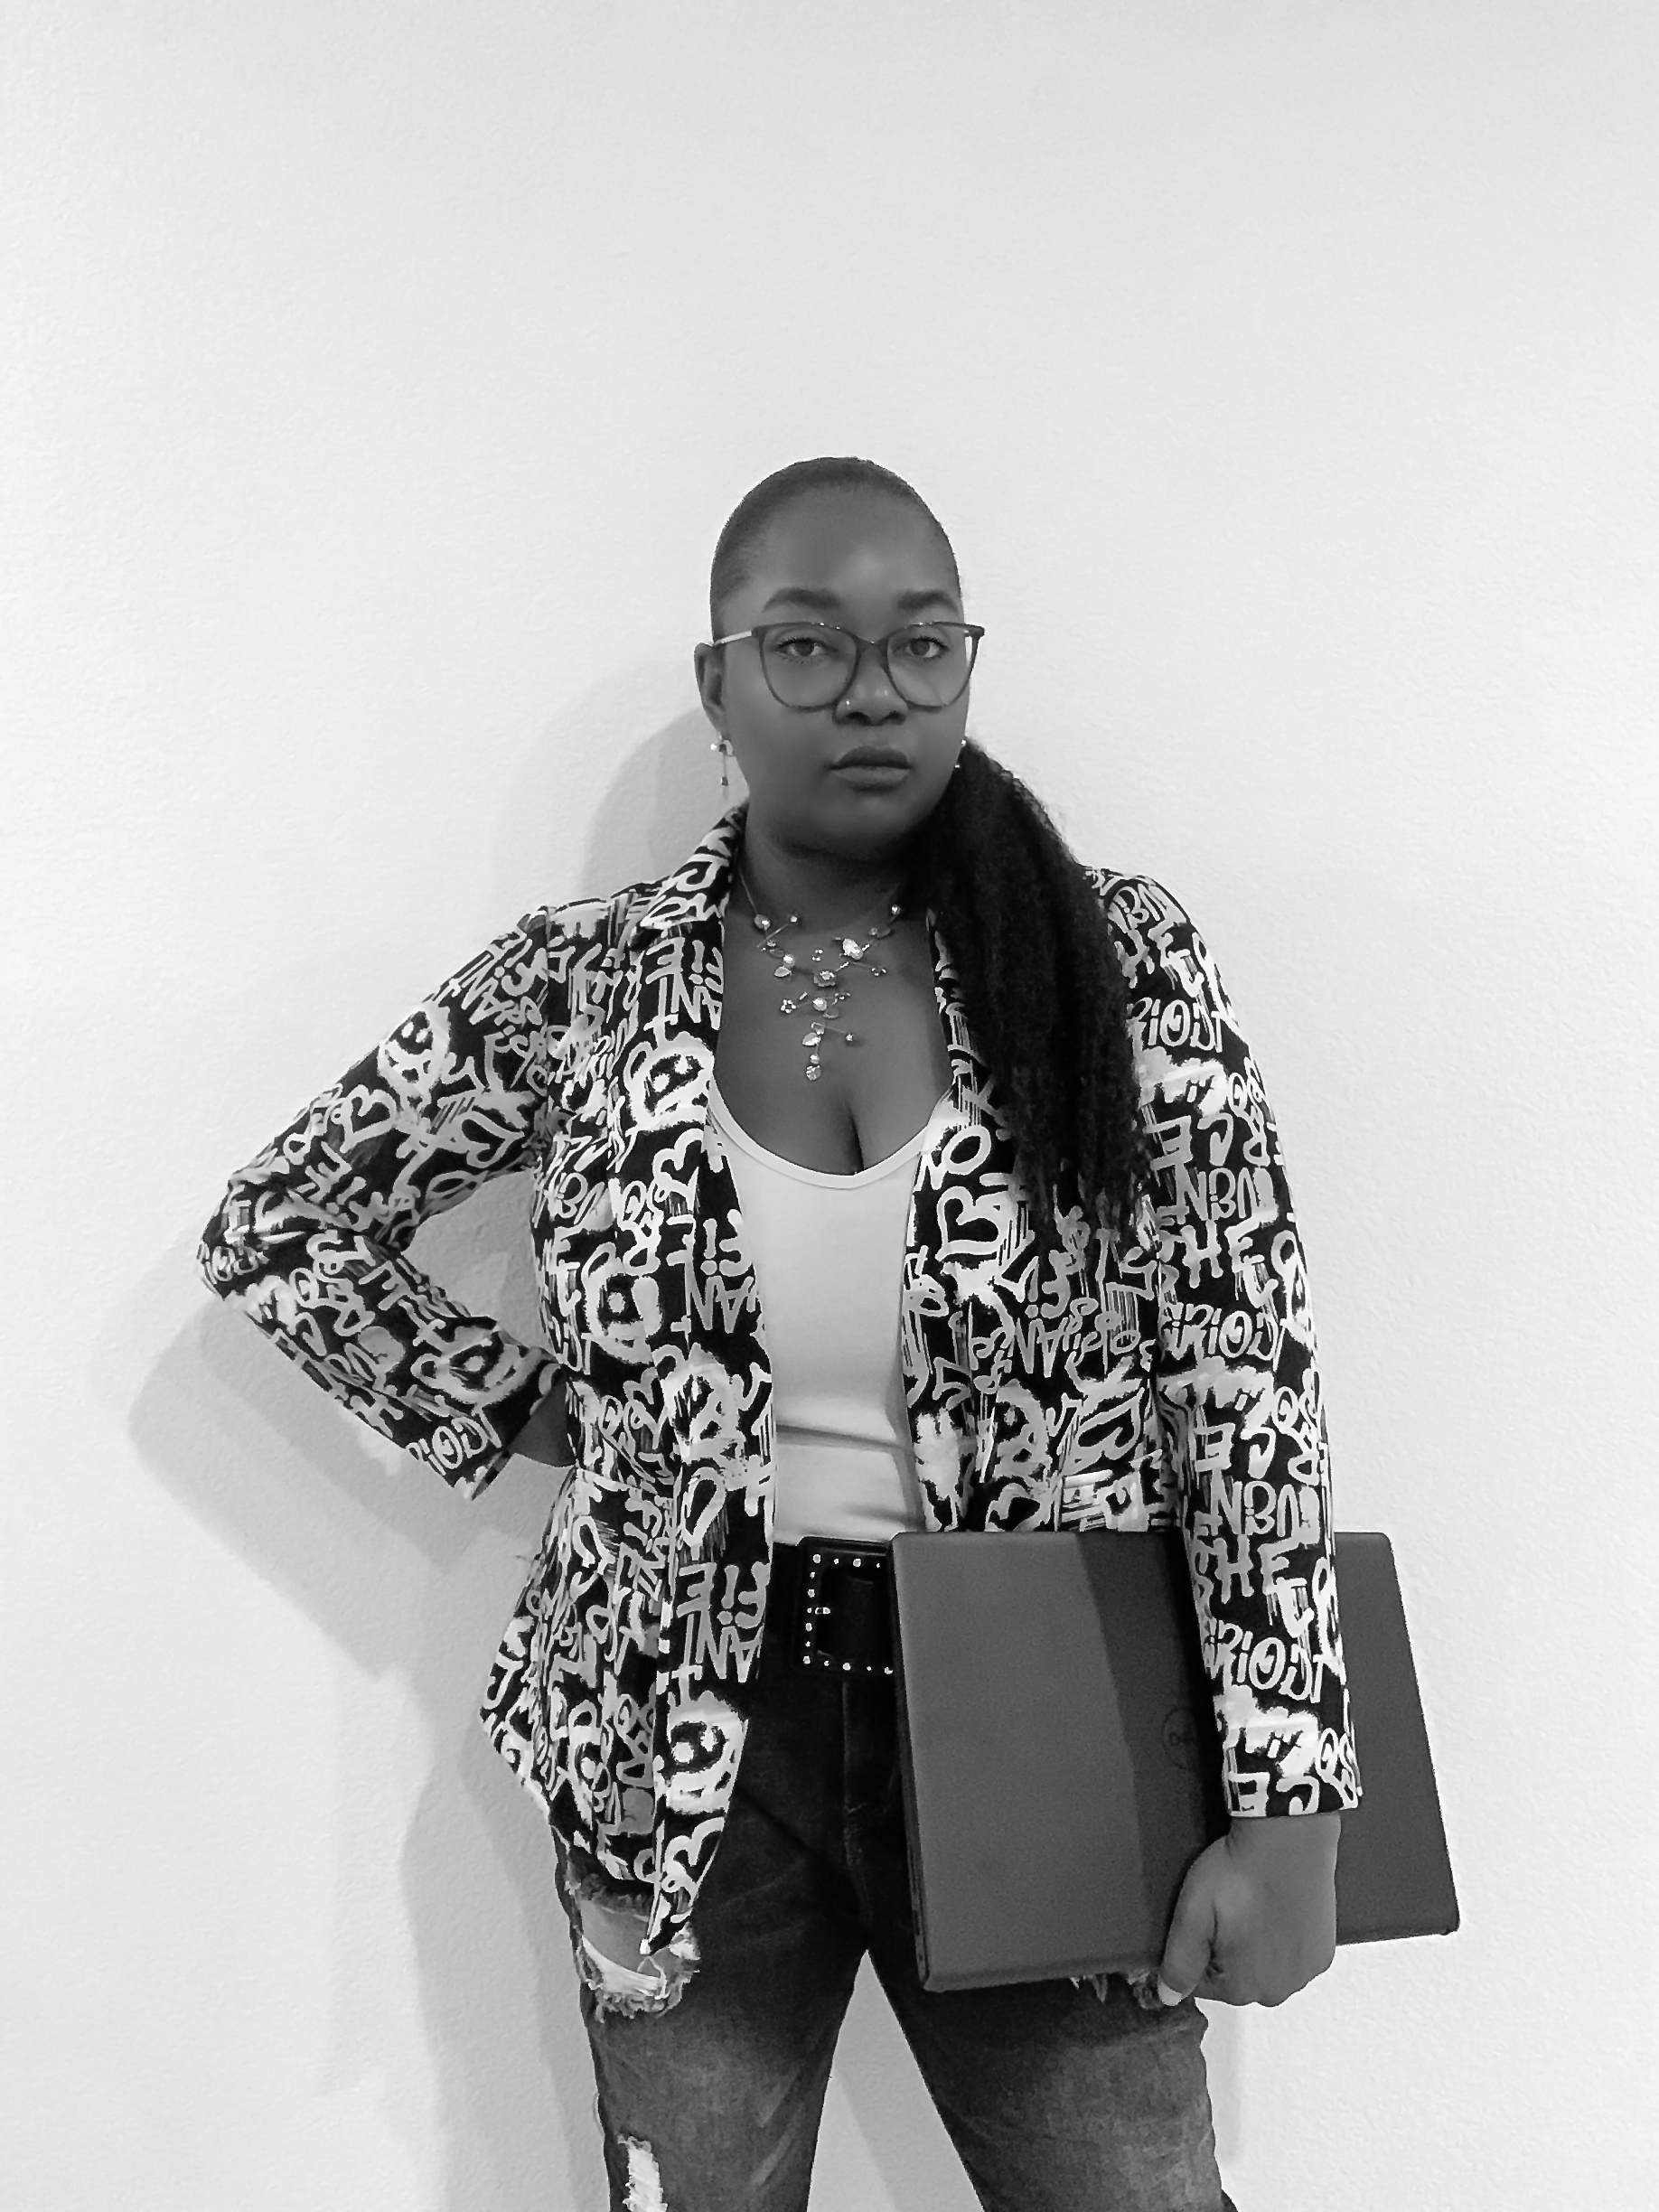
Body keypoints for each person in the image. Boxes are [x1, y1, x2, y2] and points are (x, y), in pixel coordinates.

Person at [200, 455, 1360, 2212]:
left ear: (967, 666)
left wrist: (1292, 1796)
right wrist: (519, 1404)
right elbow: (281, 1225)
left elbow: (1244, 1371)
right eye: (808, 645)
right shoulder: (583, 982)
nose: (874, 691)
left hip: (1044, 1713)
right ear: (718, 682)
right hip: (677, 1740)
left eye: (923, 644)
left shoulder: (1112, 956)